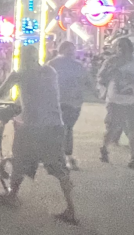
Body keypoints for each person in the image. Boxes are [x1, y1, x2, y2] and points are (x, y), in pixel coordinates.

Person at [0, 48, 78, 225]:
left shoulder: (19, 74)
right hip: (55, 126)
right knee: (58, 167)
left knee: (20, 158)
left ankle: (12, 196)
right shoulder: (50, 72)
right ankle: (70, 208)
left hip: (31, 127)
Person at [98, 38, 134, 170]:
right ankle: (104, 148)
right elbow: (101, 78)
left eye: (125, 46)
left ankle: (133, 157)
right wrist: (106, 86)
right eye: (119, 46)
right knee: (112, 128)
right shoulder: (110, 62)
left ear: (130, 48)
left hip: (133, 101)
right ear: (115, 48)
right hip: (115, 101)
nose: (122, 48)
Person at [47, 41, 91, 170]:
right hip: (60, 101)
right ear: (62, 50)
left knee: (67, 128)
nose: (71, 52)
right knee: (64, 128)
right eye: (69, 49)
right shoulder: (54, 64)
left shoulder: (78, 65)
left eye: (73, 49)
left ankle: (63, 155)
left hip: (74, 101)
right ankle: (63, 156)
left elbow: (87, 80)